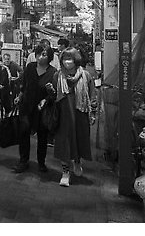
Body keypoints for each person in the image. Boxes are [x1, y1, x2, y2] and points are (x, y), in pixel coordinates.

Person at [51, 47, 97, 187]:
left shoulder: (86, 76)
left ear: (76, 60)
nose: (67, 62)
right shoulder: (57, 76)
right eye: (64, 59)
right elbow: (53, 97)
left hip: (80, 114)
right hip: (63, 115)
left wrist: (93, 112)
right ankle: (65, 172)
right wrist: (50, 92)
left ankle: (77, 162)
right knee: (64, 143)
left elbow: (92, 95)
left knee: (78, 140)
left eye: (70, 59)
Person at [12, 44, 58, 173]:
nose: (40, 57)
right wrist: (20, 96)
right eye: (38, 53)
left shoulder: (53, 72)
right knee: (24, 133)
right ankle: (23, 161)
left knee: (42, 137)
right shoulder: (30, 67)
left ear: (49, 57)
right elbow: (24, 85)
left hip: (42, 109)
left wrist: (46, 99)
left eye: (44, 54)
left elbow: (54, 93)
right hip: (26, 106)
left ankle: (41, 162)